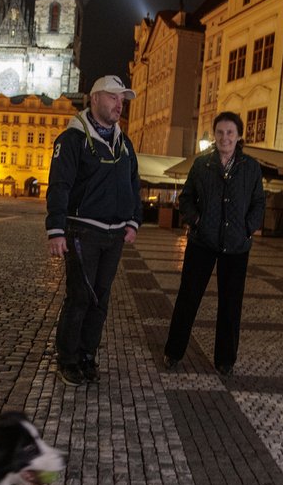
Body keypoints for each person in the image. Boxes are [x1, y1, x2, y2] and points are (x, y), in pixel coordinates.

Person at [46, 75, 142, 386]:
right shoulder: (72, 140)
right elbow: (59, 186)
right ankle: (68, 358)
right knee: (79, 297)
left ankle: (88, 355)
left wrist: (133, 221)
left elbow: (134, 184)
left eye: (122, 99)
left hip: (114, 235)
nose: (120, 104)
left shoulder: (124, 143)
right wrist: (56, 229)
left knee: (101, 299)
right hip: (82, 231)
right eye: (114, 97)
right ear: (96, 98)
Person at [163, 111, 266, 376]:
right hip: (202, 242)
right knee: (188, 298)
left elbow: (258, 203)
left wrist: (246, 228)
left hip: (236, 246)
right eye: (220, 132)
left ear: (239, 136)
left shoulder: (251, 167)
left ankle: (225, 360)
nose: (225, 137)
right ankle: (173, 352)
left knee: (231, 304)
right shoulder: (202, 165)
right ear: (214, 135)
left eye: (230, 132)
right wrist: (196, 221)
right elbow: (186, 199)